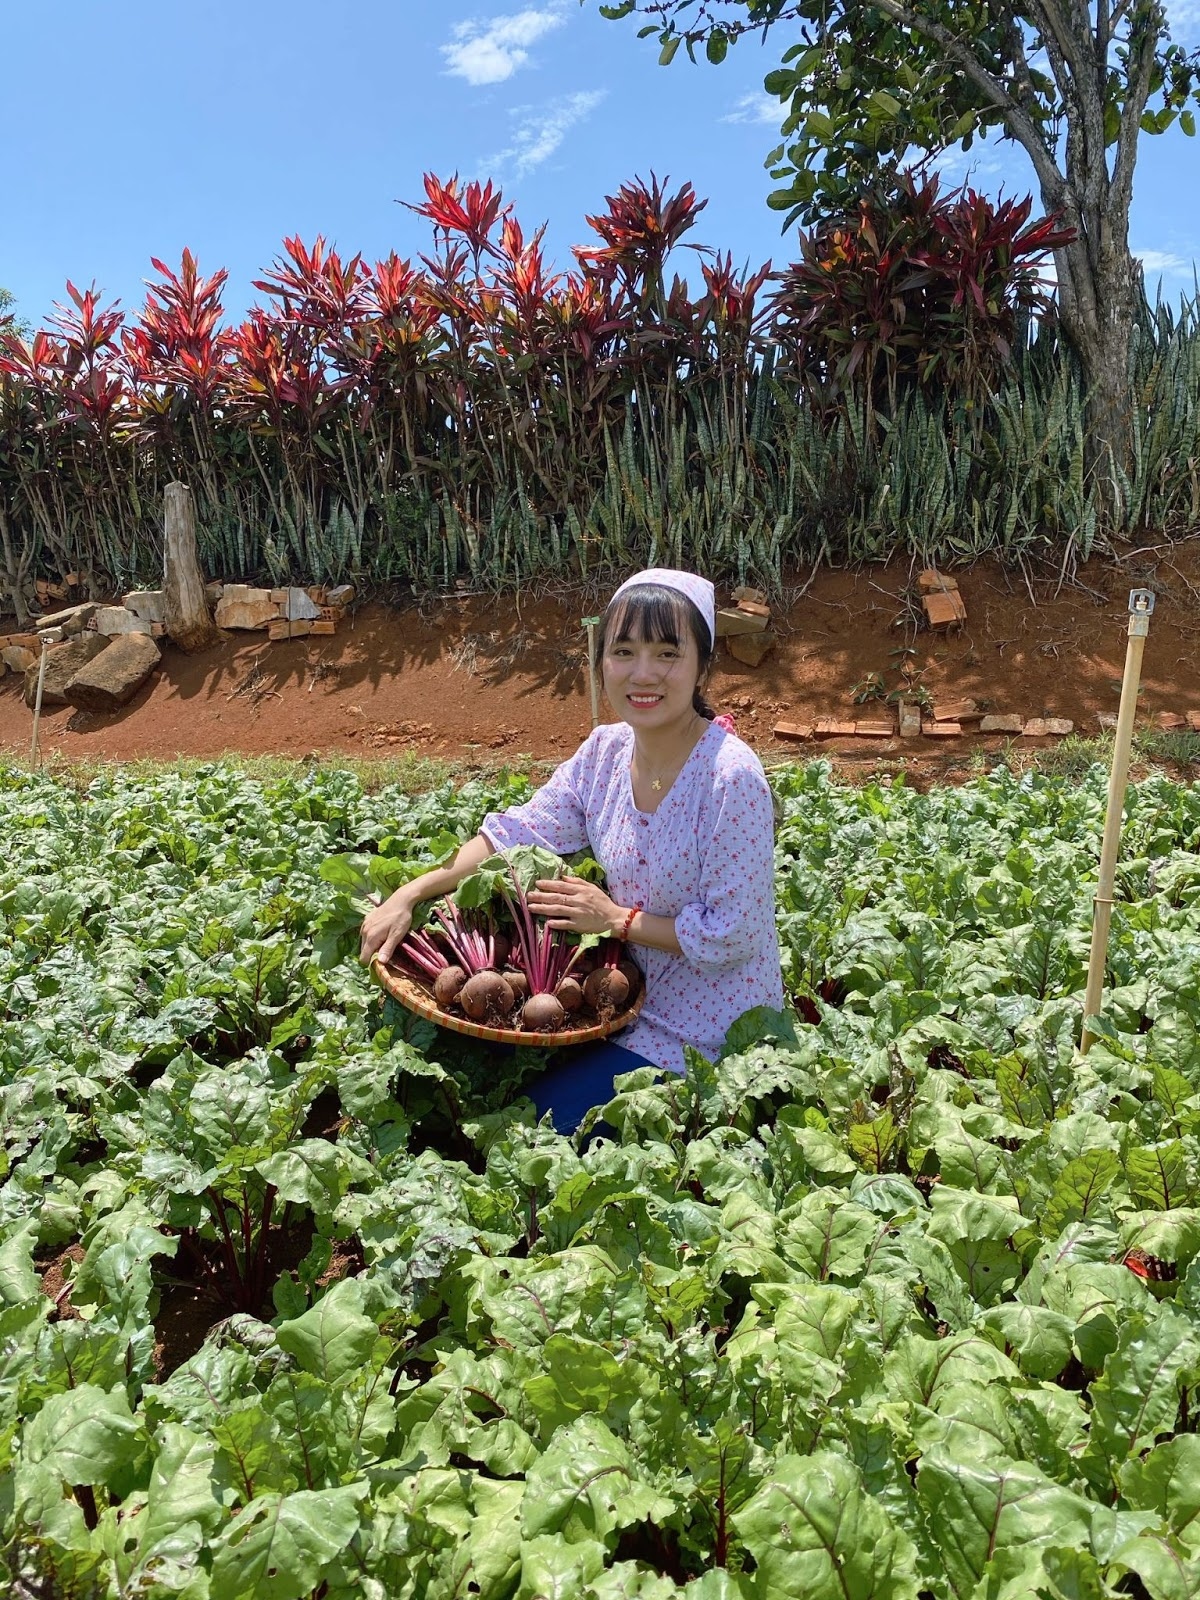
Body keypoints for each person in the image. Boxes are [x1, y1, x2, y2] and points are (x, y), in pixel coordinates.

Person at [359, 567, 783, 1133]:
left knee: (539, 1127)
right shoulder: (604, 754)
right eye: (624, 651)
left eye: (666, 653)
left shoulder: (731, 777)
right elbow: (512, 835)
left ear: (703, 666)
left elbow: (732, 934)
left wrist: (615, 920)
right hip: (619, 1000)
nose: (642, 673)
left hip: (709, 1031)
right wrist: (408, 894)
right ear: (601, 660)